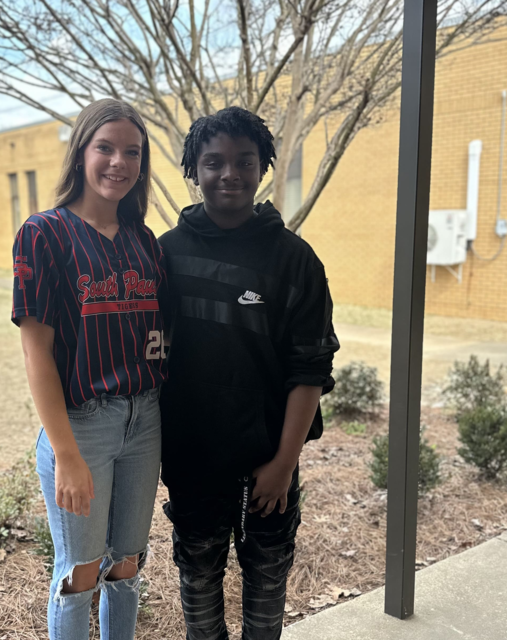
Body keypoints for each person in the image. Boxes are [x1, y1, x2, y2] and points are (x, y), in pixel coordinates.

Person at [158, 106, 340, 640]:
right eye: (213, 162)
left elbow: (309, 371)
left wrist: (284, 462)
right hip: (192, 460)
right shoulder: (165, 255)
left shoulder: (295, 261)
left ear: (263, 167)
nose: (229, 174)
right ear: (194, 170)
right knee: (197, 582)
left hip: (269, 464)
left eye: (244, 160)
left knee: (267, 586)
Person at [12, 99, 167, 640]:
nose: (118, 162)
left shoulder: (144, 242)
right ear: (81, 153)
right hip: (82, 426)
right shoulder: (44, 235)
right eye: (105, 147)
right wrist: (68, 454)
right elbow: (37, 355)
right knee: (79, 575)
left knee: (127, 563)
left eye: (132, 152)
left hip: (144, 420)